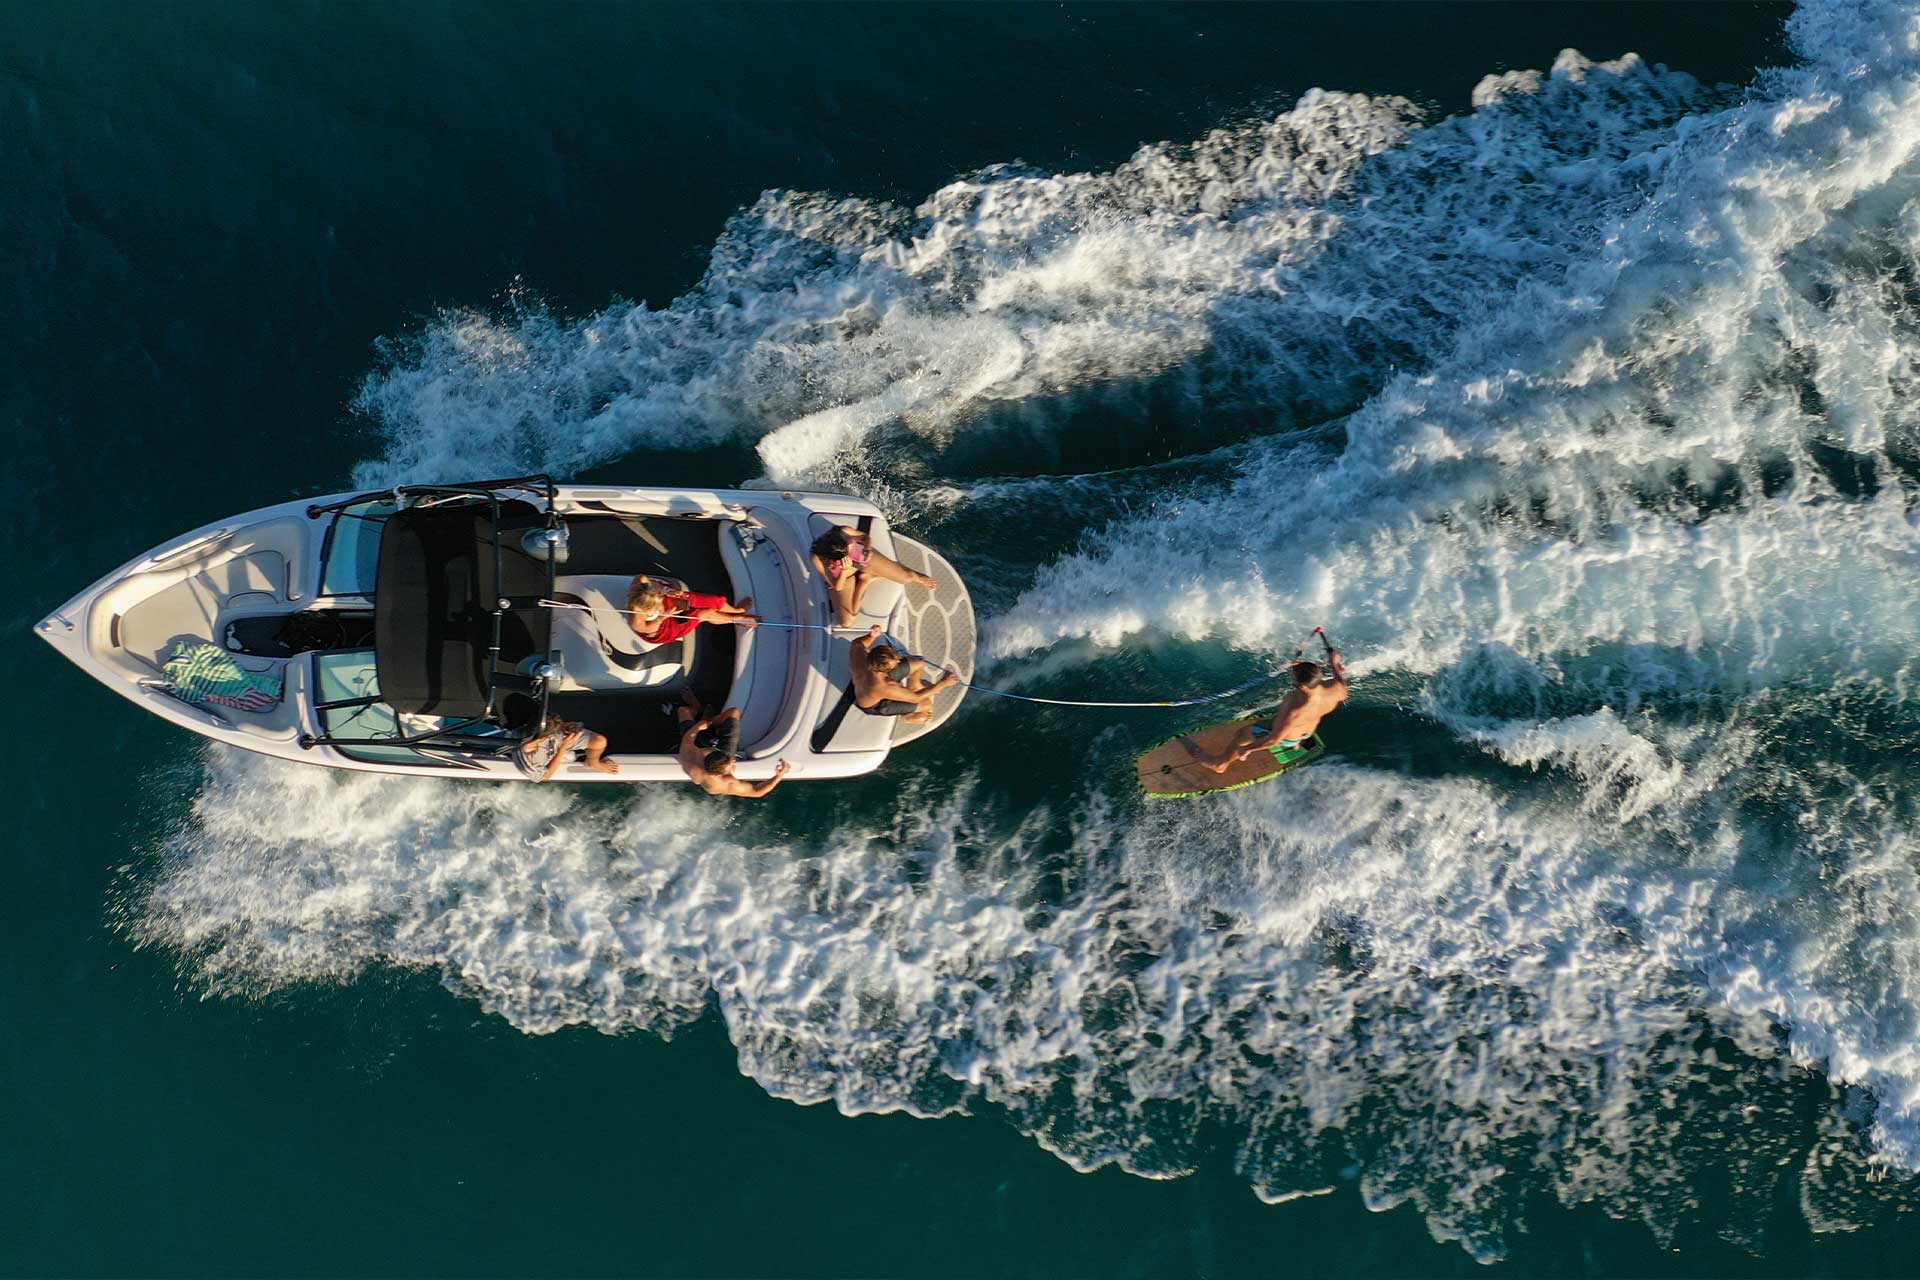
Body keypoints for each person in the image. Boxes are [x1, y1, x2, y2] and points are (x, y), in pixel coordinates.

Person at [1186, 647, 1348, 775]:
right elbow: (1339, 678)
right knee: (1295, 727)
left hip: (1287, 735)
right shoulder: (1337, 689)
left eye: (1294, 675)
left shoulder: (1295, 708)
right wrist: (1334, 663)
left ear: (1301, 685)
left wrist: (1247, 749)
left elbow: (1274, 740)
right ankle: (1296, 743)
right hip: (1307, 731)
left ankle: (1220, 764)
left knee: (1242, 735)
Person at [811, 526, 937, 626]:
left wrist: (868, 548)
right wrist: (844, 571)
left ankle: (914, 576)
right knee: (847, 622)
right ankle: (865, 581)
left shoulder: (843, 532)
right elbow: (837, 586)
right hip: (844, 577)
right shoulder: (817, 558)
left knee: (907, 578)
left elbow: (865, 537)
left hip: (862, 561)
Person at [851, 624, 958, 724]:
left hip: (874, 677)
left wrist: (872, 636)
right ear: (885, 669)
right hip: (876, 704)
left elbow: (857, 642)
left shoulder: (860, 654)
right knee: (926, 705)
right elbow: (916, 698)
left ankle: (915, 686)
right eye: (895, 662)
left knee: (918, 663)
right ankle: (907, 717)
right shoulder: (882, 686)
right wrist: (944, 683)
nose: (898, 661)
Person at [675, 705, 790, 797]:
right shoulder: (723, 782)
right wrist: (779, 776)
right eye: (731, 765)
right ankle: (706, 717)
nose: (733, 761)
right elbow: (756, 792)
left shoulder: (690, 756)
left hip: (704, 747)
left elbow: (687, 739)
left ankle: (707, 718)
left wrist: (698, 727)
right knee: (734, 713)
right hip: (715, 751)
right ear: (719, 774)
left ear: (711, 753)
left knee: (683, 710)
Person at [627, 575, 758, 646]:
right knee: (705, 613)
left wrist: (667, 590)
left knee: (711, 601)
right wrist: (664, 616)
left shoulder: (640, 582)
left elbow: (647, 580)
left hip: (667, 603)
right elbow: (647, 629)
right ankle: (738, 619)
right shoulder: (636, 617)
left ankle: (736, 610)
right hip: (663, 627)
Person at [515, 718, 619, 780]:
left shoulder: (535, 730)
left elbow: (551, 723)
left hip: (555, 742)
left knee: (599, 741)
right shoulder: (527, 762)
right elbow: (546, 776)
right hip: (556, 751)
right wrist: (563, 747)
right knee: (599, 742)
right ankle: (592, 763)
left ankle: (590, 757)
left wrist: (563, 726)